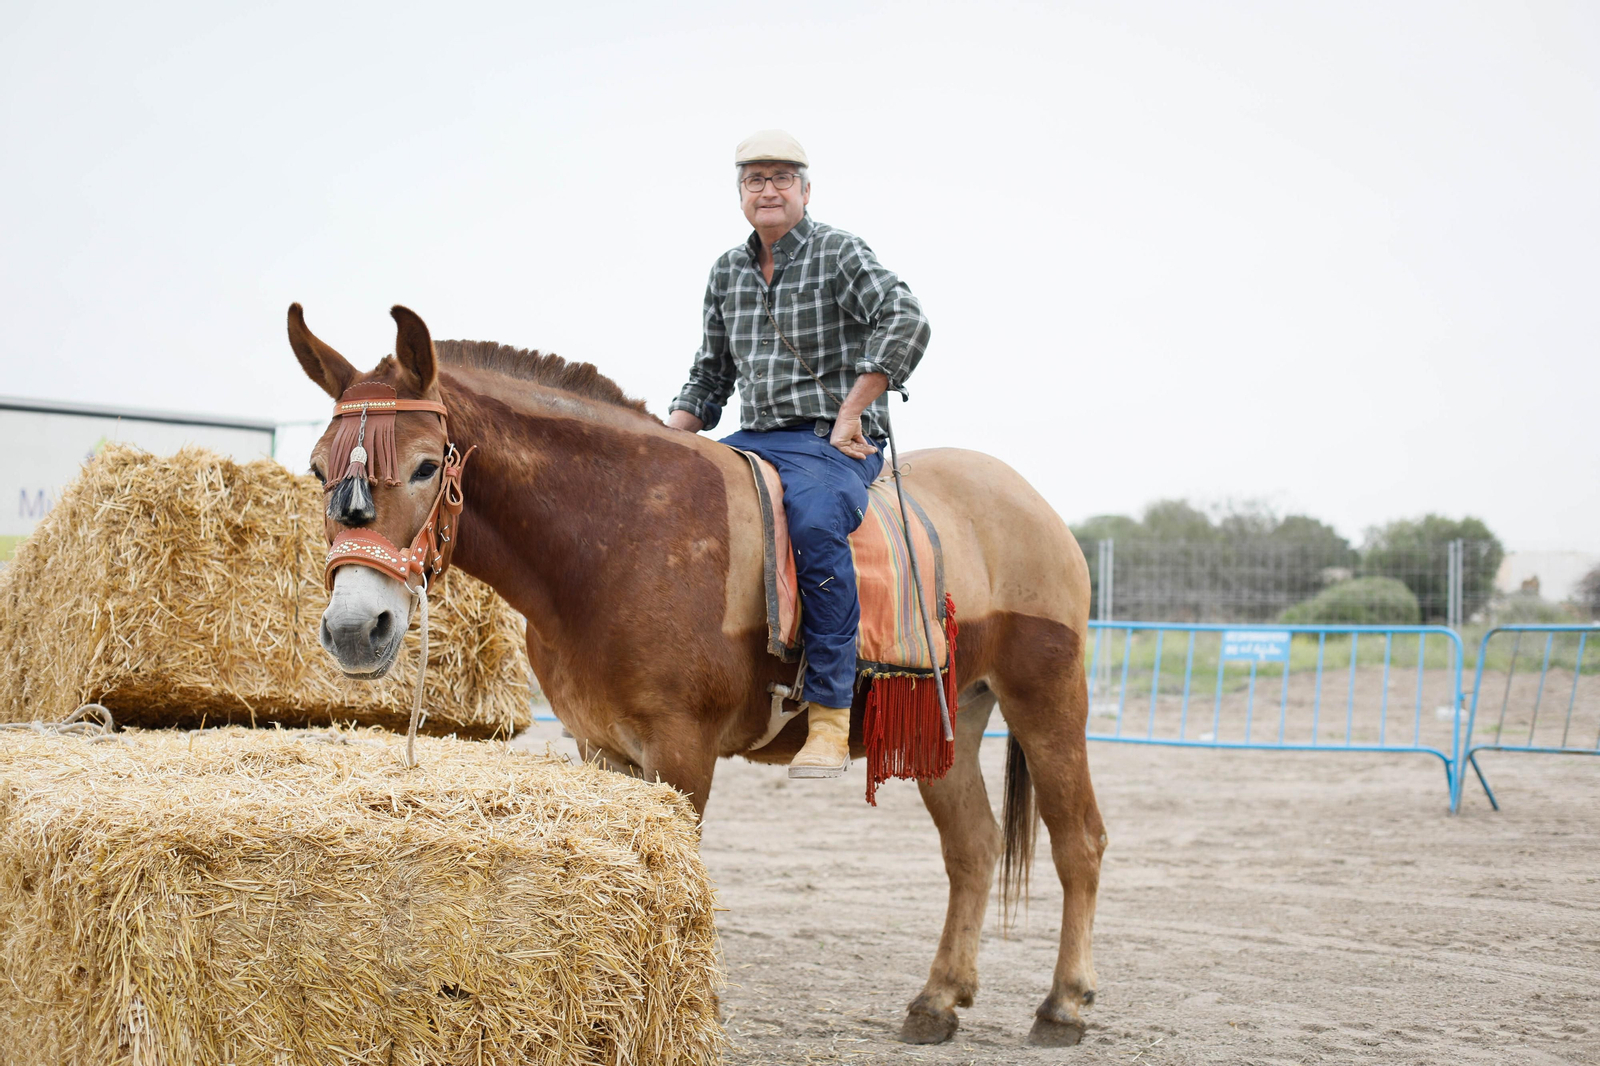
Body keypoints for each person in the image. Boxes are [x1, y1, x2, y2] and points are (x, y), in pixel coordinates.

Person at [667, 130, 931, 779]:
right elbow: (711, 372)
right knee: (672, 507)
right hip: (755, 438)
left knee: (814, 522)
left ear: (805, 191)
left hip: (831, 441)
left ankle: (831, 713)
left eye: (782, 177)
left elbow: (906, 319)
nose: (768, 189)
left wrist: (851, 410)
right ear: (740, 194)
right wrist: (667, 442)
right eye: (755, 179)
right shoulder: (727, 270)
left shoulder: (839, 252)